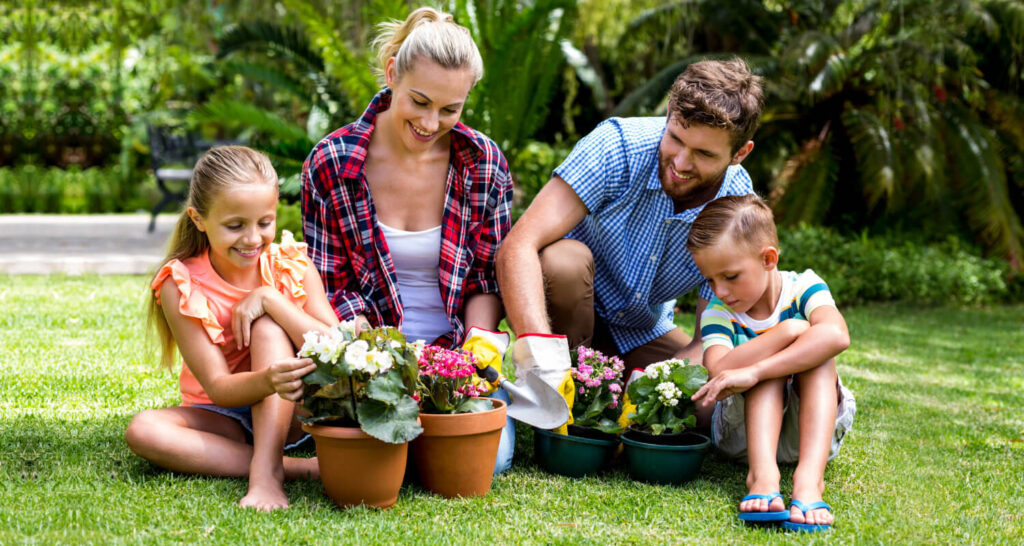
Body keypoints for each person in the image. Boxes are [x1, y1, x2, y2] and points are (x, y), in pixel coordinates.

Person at [300, 7, 515, 473]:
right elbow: (330, 286)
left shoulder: (483, 164)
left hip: (455, 359)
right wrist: (381, 361)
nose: (431, 122)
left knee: (489, 463)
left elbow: (485, 280)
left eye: (450, 109)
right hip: (367, 355)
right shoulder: (332, 163)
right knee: (385, 447)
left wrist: (474, 349)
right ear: (392, 72)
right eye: (419, 101)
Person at [496, 58, 764, 382]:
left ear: (740, 154)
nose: (680, 163)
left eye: (704, 154)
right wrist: (538, 352)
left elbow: (705, 338)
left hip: (643, 332)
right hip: (566, 316)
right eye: (676, 138)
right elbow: (518, 245)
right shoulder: (617, 146)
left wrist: (656, 385)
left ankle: (613, 388)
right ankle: (557, 381)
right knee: (563, 262)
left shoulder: (737, 204)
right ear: (668, 113)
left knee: (708, 402)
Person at [124, 146, 339, 512]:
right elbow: (220, 388)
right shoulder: (182, 284)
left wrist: (271, 299)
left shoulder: (290, 264)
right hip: (225, 416)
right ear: (199, 218)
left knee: (268, 327)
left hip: (294, 411)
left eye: (264, 222)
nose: (253, 239)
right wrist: (267, 380)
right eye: (235, 225)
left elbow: (338, 346)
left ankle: (267, 474)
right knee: (143, 430)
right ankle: (298, 469)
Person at [687, 194, 856, 532]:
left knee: (818, 357)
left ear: (768, 259)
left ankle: (809, 482)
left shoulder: (804, 286)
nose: (719, 290)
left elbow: (837, 336)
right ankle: (762, 477)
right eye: (709, 280)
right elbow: (718, 369)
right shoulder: (720, 312)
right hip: (743, 438)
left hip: (809, 432)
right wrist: (787, 331)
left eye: (731, 276)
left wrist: (754, 369)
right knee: (771, 360)